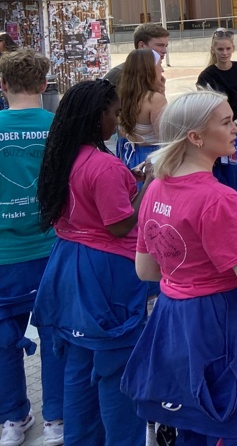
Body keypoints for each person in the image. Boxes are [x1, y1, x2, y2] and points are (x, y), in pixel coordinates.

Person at [122, 91, 237, 445]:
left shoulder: (156, 187)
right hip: (223, 324)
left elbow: (146, 270)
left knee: (190, 421)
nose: (236, 127)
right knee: (232, 421)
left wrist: (190, 269)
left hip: (174, 319)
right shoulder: (218, 199)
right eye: (226, 122)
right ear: (195, 137)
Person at [34, 80, 150, 446]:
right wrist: (147, 186)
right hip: (104, 273)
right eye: (114, 113)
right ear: (97, 115)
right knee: (117, 368)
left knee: (78, 364)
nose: (117, 120)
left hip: (66, 264)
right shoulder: (103, 165)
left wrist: (129, 179)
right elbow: (119, 225)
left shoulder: (64, 155)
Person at [0, 49, 64, 446]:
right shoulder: (58, 127)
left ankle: (11, 417)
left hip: (4, 253)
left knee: (2, 339)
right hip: (51, 247)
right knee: (56, 334)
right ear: (43, 84)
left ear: (2, 85)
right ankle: (56, 417)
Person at [197, 28, 237, 192]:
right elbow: (204, 109)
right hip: (223, 128)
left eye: (228, 48)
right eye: (220, 49)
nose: (224, 53)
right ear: (213, 49)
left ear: (233, 48)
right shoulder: (206, 76)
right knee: (229, 175)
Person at [116, 49, 167, 180]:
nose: (162, 70)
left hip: (131, 157)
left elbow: (123, 133)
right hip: (151, 160)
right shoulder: (154, 99)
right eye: (159, 65)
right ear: (149, 70)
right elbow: (166, 138)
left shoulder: (125, 96)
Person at [103, 23, 170, 91]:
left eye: (166, 46)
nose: (165, 51)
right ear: (142, 46)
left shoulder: (153, 71)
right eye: (160, 45)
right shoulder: (120, 75)